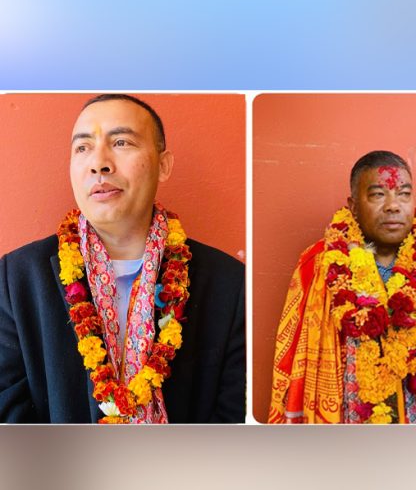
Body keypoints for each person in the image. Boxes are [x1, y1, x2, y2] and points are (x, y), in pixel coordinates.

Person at [0, 94, 245, 423]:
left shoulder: (229, 285)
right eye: (83, 147)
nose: (98, 164)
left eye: (121, 142)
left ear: (163, 165)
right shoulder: (16, 280)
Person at [268, 151, 416, 424]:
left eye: (404, 194)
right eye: (378, 195)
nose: (393, 206)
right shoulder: (319, 267)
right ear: (353, 206)